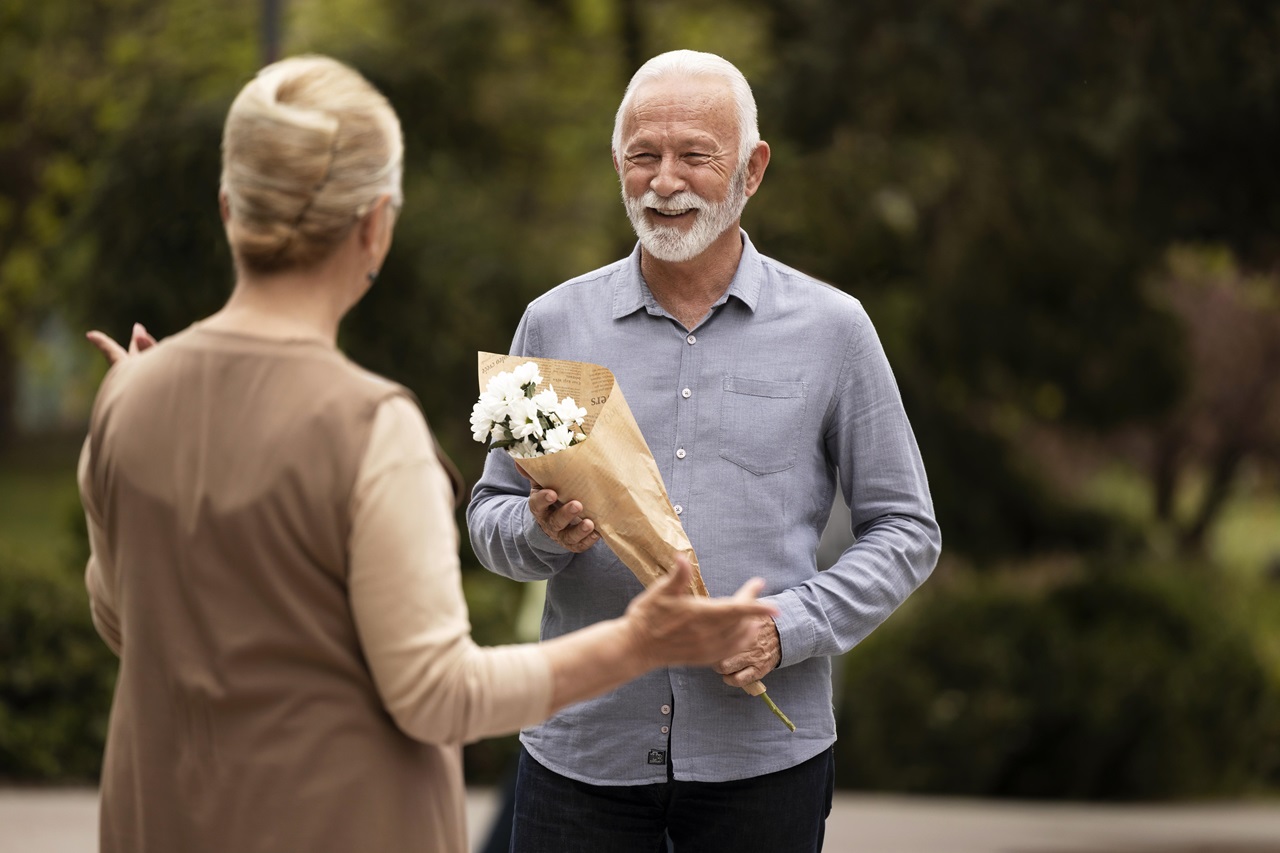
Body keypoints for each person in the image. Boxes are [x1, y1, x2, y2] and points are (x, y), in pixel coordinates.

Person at [77, 54, 778, 853]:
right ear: (376, 222)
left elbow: (124, 618)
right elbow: (439, 695)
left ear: (230, 206)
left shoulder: (125, 399)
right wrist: (639, 641)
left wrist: (133, 413)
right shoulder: (373, 429)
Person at [467, 49, 942, 852]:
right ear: (618, 164)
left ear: (752, 169)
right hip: (580, 756)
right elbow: (488, 518)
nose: (664, 181)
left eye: (695, 156)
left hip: (763, 766)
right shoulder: (553, 325)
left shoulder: (834, 330)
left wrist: (789, 625)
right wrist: (539, 532)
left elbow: (907, 530)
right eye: (644, 156)